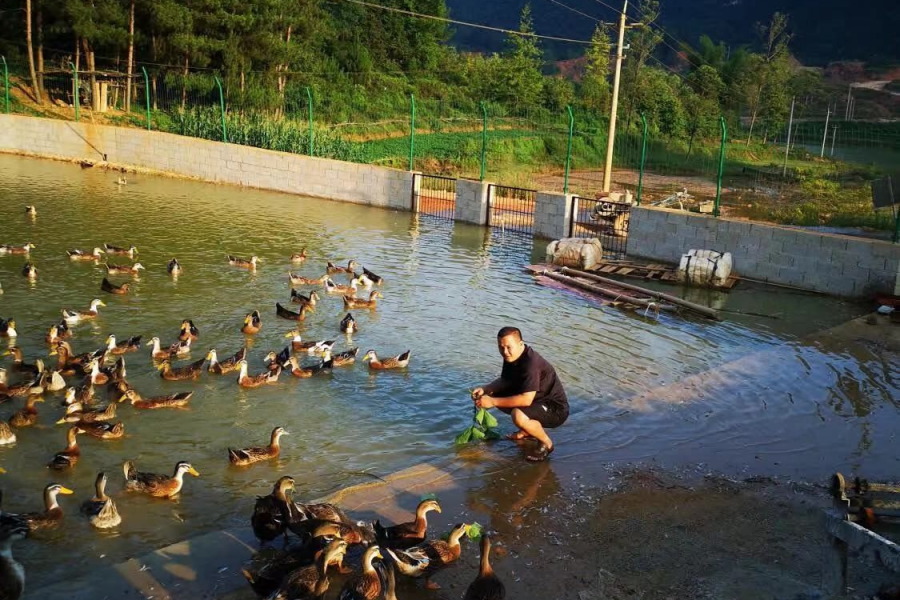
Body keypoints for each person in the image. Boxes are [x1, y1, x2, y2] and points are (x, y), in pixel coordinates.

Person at [472, 327, 568, 462]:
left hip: (555, 409)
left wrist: (492, 402)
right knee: (494, 393)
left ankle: (546, 443)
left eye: (508, 347)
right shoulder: (512, 356)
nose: (505, 352)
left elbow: (526, 400)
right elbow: (505, 380)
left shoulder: (531, 364)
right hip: (536, 400)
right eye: (501, 347)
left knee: (517, 415)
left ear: (521, 344)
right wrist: (485, 389)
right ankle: (527, 431)